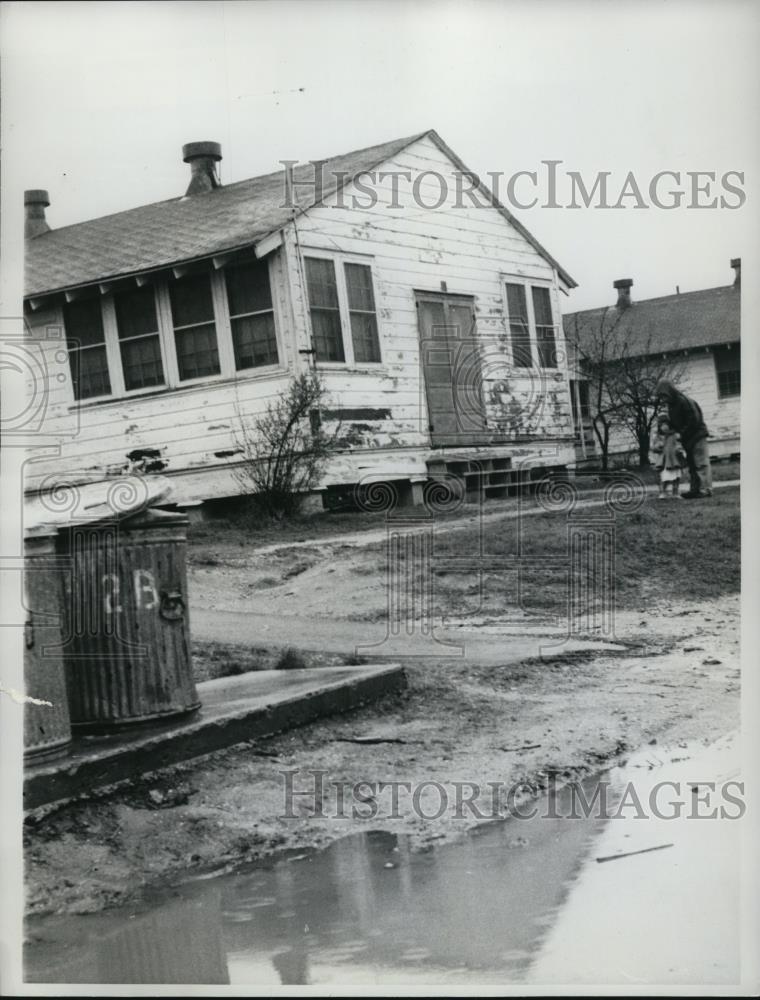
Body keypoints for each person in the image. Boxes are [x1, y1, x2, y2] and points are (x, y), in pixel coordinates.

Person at [654, 379, 712, 498]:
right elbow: (671, 422)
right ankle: (695, 489)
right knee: (692, 465)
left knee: (701, 464)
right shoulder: (671, 406)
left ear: (669, 392)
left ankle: (705, 489)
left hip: (697, 435)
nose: (663, 399)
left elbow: (693, 420)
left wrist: (682, 433)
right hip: (687, 438)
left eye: (664, 396)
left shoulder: (683, 401)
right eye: (661, 397)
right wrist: (664, 427)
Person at [651, 417, 686, 498]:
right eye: (662, 425)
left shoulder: (674, 435)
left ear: (669, 425)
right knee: (665, 477)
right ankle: (663, 492)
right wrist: (658, 446)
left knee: (676, 476)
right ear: (659, 426)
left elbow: (679, 443)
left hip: (675, 459)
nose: (664, 427)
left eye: (665, 425)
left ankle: (675, 492)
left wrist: (679, 447)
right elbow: (653, 448)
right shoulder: (658, 436)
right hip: (665, 460)